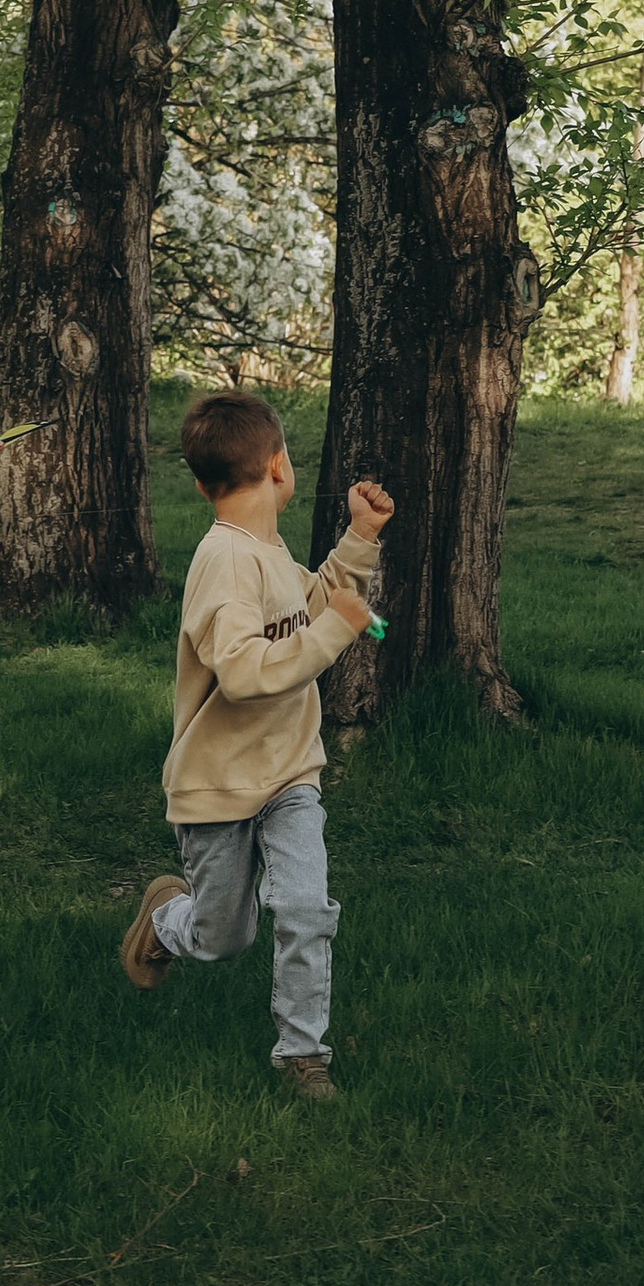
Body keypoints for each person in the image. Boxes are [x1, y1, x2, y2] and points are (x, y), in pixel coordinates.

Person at [119, 393, 392, 1099]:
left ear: (204, 481)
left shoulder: (267, 551)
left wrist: (360, 537)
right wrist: (336, 633)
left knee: (304, 906)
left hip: (289, 772)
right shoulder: (223, 563)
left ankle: (304, 1055)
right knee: (224, 936)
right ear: (278, 466)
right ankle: (164, 919)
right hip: (216, 783)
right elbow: (244, 675)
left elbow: (311, 603)